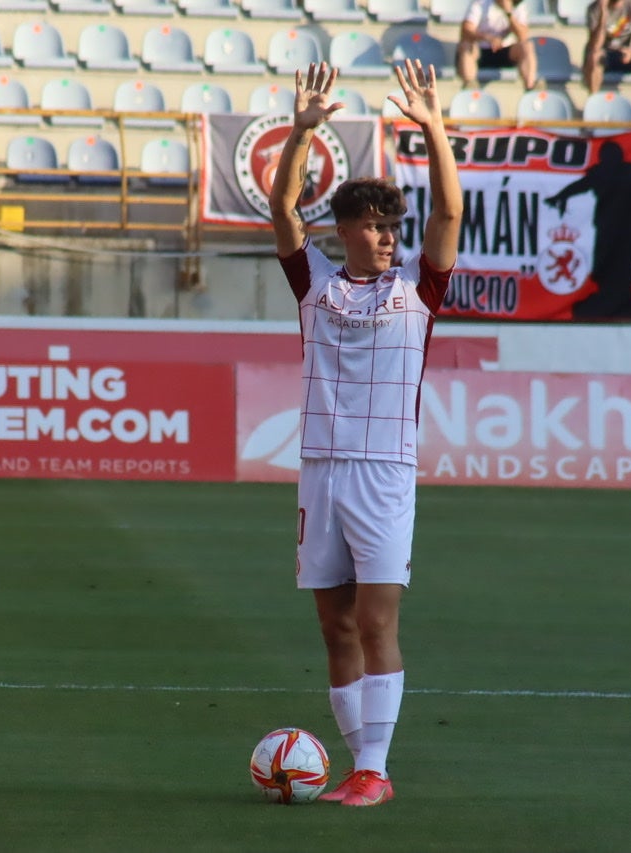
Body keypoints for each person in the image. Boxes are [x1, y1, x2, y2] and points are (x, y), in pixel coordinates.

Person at [267, 61, 462, 808]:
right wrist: (303, 132)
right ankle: (356, 765)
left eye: (392, 227)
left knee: (378, 618)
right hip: (321, 469)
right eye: (374, 226)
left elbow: (448, 217)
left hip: (385, 469)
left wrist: (434, 127)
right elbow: (283, 208)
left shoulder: (418, 289)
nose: (386, 238)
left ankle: (375, 770)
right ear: (344, 229)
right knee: (334, 624)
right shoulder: (314, 283)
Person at [543, 139, 631, 318]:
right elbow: (580, 185)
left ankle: (621, 298)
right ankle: (609, 296)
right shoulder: (606, 173)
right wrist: (559, 196)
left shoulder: (630, 174)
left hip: (626, 231)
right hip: (607, 228)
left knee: (622, 263)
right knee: (605, 263)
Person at [582, 0, 631, 119]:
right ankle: (594, 105)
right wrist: (603, 16)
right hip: (604, 54)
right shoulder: (594, 8)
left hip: (626, 53)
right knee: (594, 56)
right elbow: (595, 45)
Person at [456, 0, 540, 91]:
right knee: (466, 46)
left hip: (506, 51)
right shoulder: (480, 3)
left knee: (527, 46)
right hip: (481, 52)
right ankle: (469, 86)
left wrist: (508, 12)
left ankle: (530, 86)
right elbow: (466, 31)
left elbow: (523, 36)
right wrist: (487, 38)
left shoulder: (518, 6)